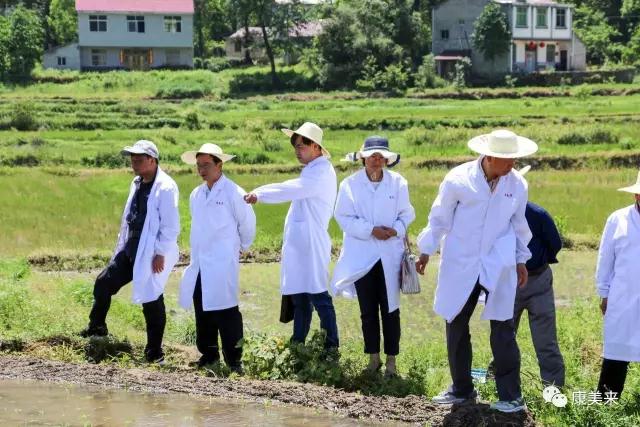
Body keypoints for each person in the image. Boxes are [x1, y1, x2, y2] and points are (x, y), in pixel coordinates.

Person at [415, 129, 537, 413]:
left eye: (515, 158)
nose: (513, 164)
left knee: (503, 326)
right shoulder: (458, 179)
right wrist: (425, 250)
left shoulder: (517, 184)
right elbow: (439, 218)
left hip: (499, 259)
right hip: (462, 259)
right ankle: (462, 389)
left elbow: (519, 225)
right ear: (490, 157)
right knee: (456, 322)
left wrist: (521, 260)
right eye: (508, 159)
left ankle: (511, 396)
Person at [80, 140, 180, 364]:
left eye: (139, 159)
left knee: (151, 299)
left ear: (152, 160)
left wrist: (160, 253)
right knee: (103, 283)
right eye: (132, 159)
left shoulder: (165, 186)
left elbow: (171, 225)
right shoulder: (137, 183)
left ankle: (154, 353)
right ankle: (97, 329)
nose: (134, 163)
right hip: (131, 248)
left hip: (151, 251)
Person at [244, 122, 339, 351]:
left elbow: (291, 188)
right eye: (295, 146)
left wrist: (260, 194)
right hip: (300, 245)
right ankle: (297, 346)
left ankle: (330, 348)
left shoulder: (321, 172)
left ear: (315, 146)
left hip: (312, 243)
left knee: (318, 295)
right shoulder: (311, 170)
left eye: (301, 146)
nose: (297, 150)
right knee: (300, 298)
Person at [331, 136, 415, 377]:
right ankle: (373, 359)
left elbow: (407, 214)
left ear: (387, 160)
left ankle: (391, 363)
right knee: (368, 310)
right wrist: (371, 230)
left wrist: (396, 229)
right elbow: (343, 217)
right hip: (362, 256)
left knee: (391, 310)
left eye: (381, 157)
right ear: (363, 159)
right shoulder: (349, 185)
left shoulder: (398, 183)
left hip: (390, 254)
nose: (376, 160)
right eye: (372, 156)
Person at [179, 143, 256, 372]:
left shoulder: (234, 193)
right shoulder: (196, 194)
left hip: (223, 262)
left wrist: (241, 247)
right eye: (198, 165)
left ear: (219, 165)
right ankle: (209, 355)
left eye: (206, 164)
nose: (201, 169)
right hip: (200, 261)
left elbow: (247, 224)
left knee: (226, 311)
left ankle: (234, 361)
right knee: (202, 307)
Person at [487, 166, 566, 387]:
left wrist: (536, 261)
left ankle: (553, 388)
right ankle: (498, 383)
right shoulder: (492, 215)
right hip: (506, 282)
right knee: (503, 335)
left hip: (538, 282)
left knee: (545, 339)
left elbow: (555, 243)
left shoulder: (538, 214)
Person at [595, 171, 640, 398]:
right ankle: (606, 401)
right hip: (623, 295)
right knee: (617, 350)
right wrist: (604, 293)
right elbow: (605, 258)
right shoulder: (618, 219)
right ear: (636, 196)